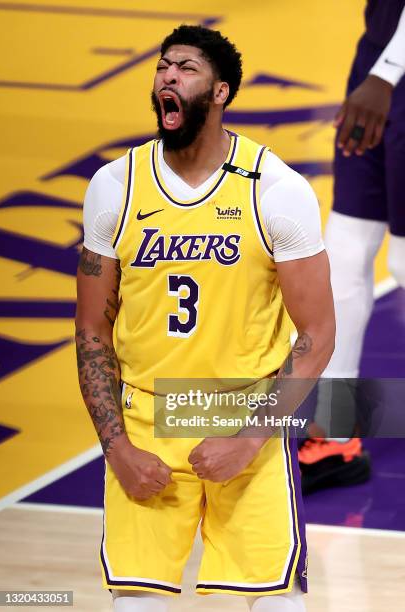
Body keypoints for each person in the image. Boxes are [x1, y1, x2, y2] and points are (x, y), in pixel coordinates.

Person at [75, 25, 335, 612]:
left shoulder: (275, 189)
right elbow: (92, 330)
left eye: (186, 68)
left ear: (220, 93)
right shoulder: (115, 187)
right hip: (146, 422)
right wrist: (115, 447)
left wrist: (247, 441)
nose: (168, 76)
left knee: (276, 604)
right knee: (136, 605)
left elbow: (317, 336)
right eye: (163, 66)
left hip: (247, 416)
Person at [299, 1, 405, 494]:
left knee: (403, 263)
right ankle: (334, 434)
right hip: (379, 58)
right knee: (344, 249)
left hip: (385, 75)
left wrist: (386, 76)